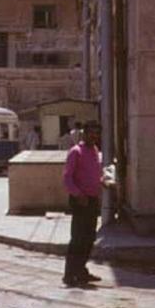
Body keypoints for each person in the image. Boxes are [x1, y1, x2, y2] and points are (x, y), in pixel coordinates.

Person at [62, 121, 103, 287]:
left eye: (96, 133)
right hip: (80, 201)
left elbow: (94, 174)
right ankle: (69, 274)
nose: (94, 136)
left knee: (89, 238)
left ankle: (81, 270)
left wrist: (104, 182)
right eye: (91, 133)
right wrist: (78, 194)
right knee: (78, 238)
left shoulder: (95, 151)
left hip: (92, 200)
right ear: (84, 134)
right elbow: (67, 178)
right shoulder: (75, 152)